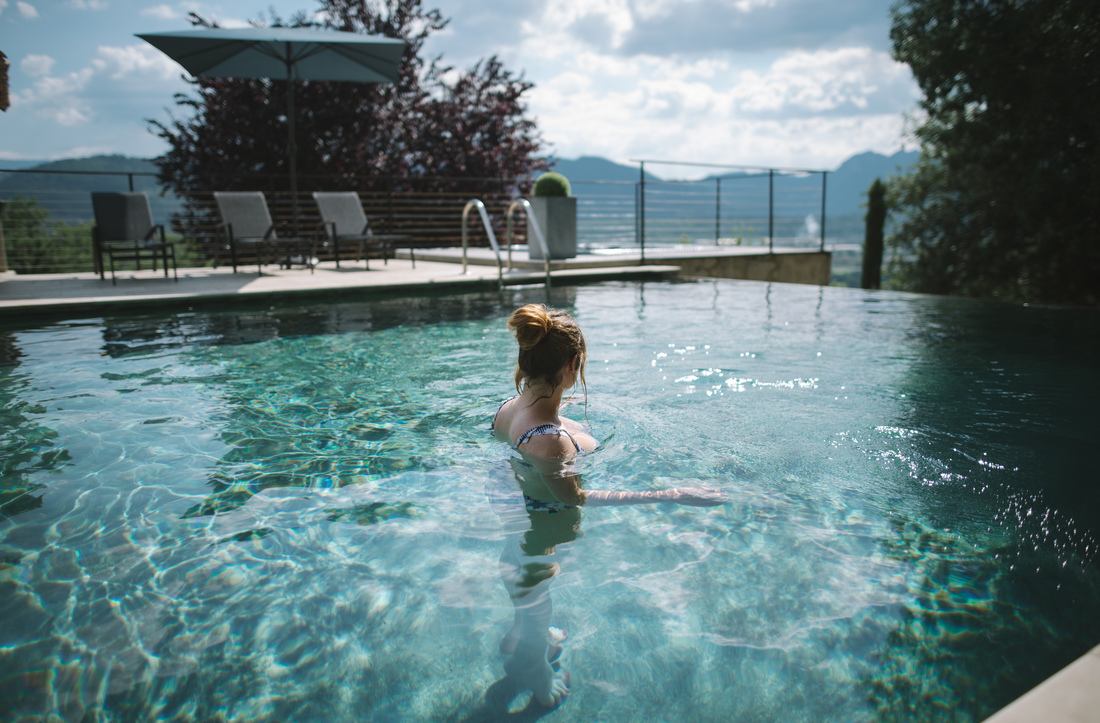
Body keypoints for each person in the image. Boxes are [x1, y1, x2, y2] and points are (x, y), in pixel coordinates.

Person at [491, 303, 724, 707]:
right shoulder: (550, 439)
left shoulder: (511, 409)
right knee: (537, 589)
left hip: (522, 527)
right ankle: (534, 668)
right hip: (541, 530)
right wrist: (668, 496)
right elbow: (578, 498)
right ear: (570, 366)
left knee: (530, 590)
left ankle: (525, 632)